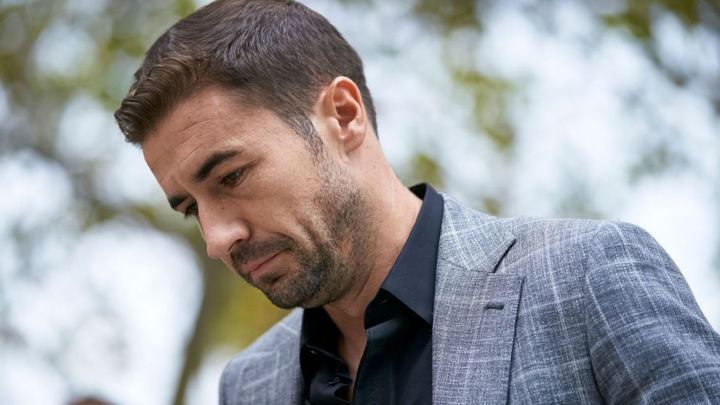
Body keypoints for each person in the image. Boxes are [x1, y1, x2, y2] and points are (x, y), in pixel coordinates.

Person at [114, 0, 720, 403]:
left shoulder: (587, 277)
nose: (217, 239)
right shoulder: (249, 385)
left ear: (343, 115)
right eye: (190, 208)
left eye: (231, 176)